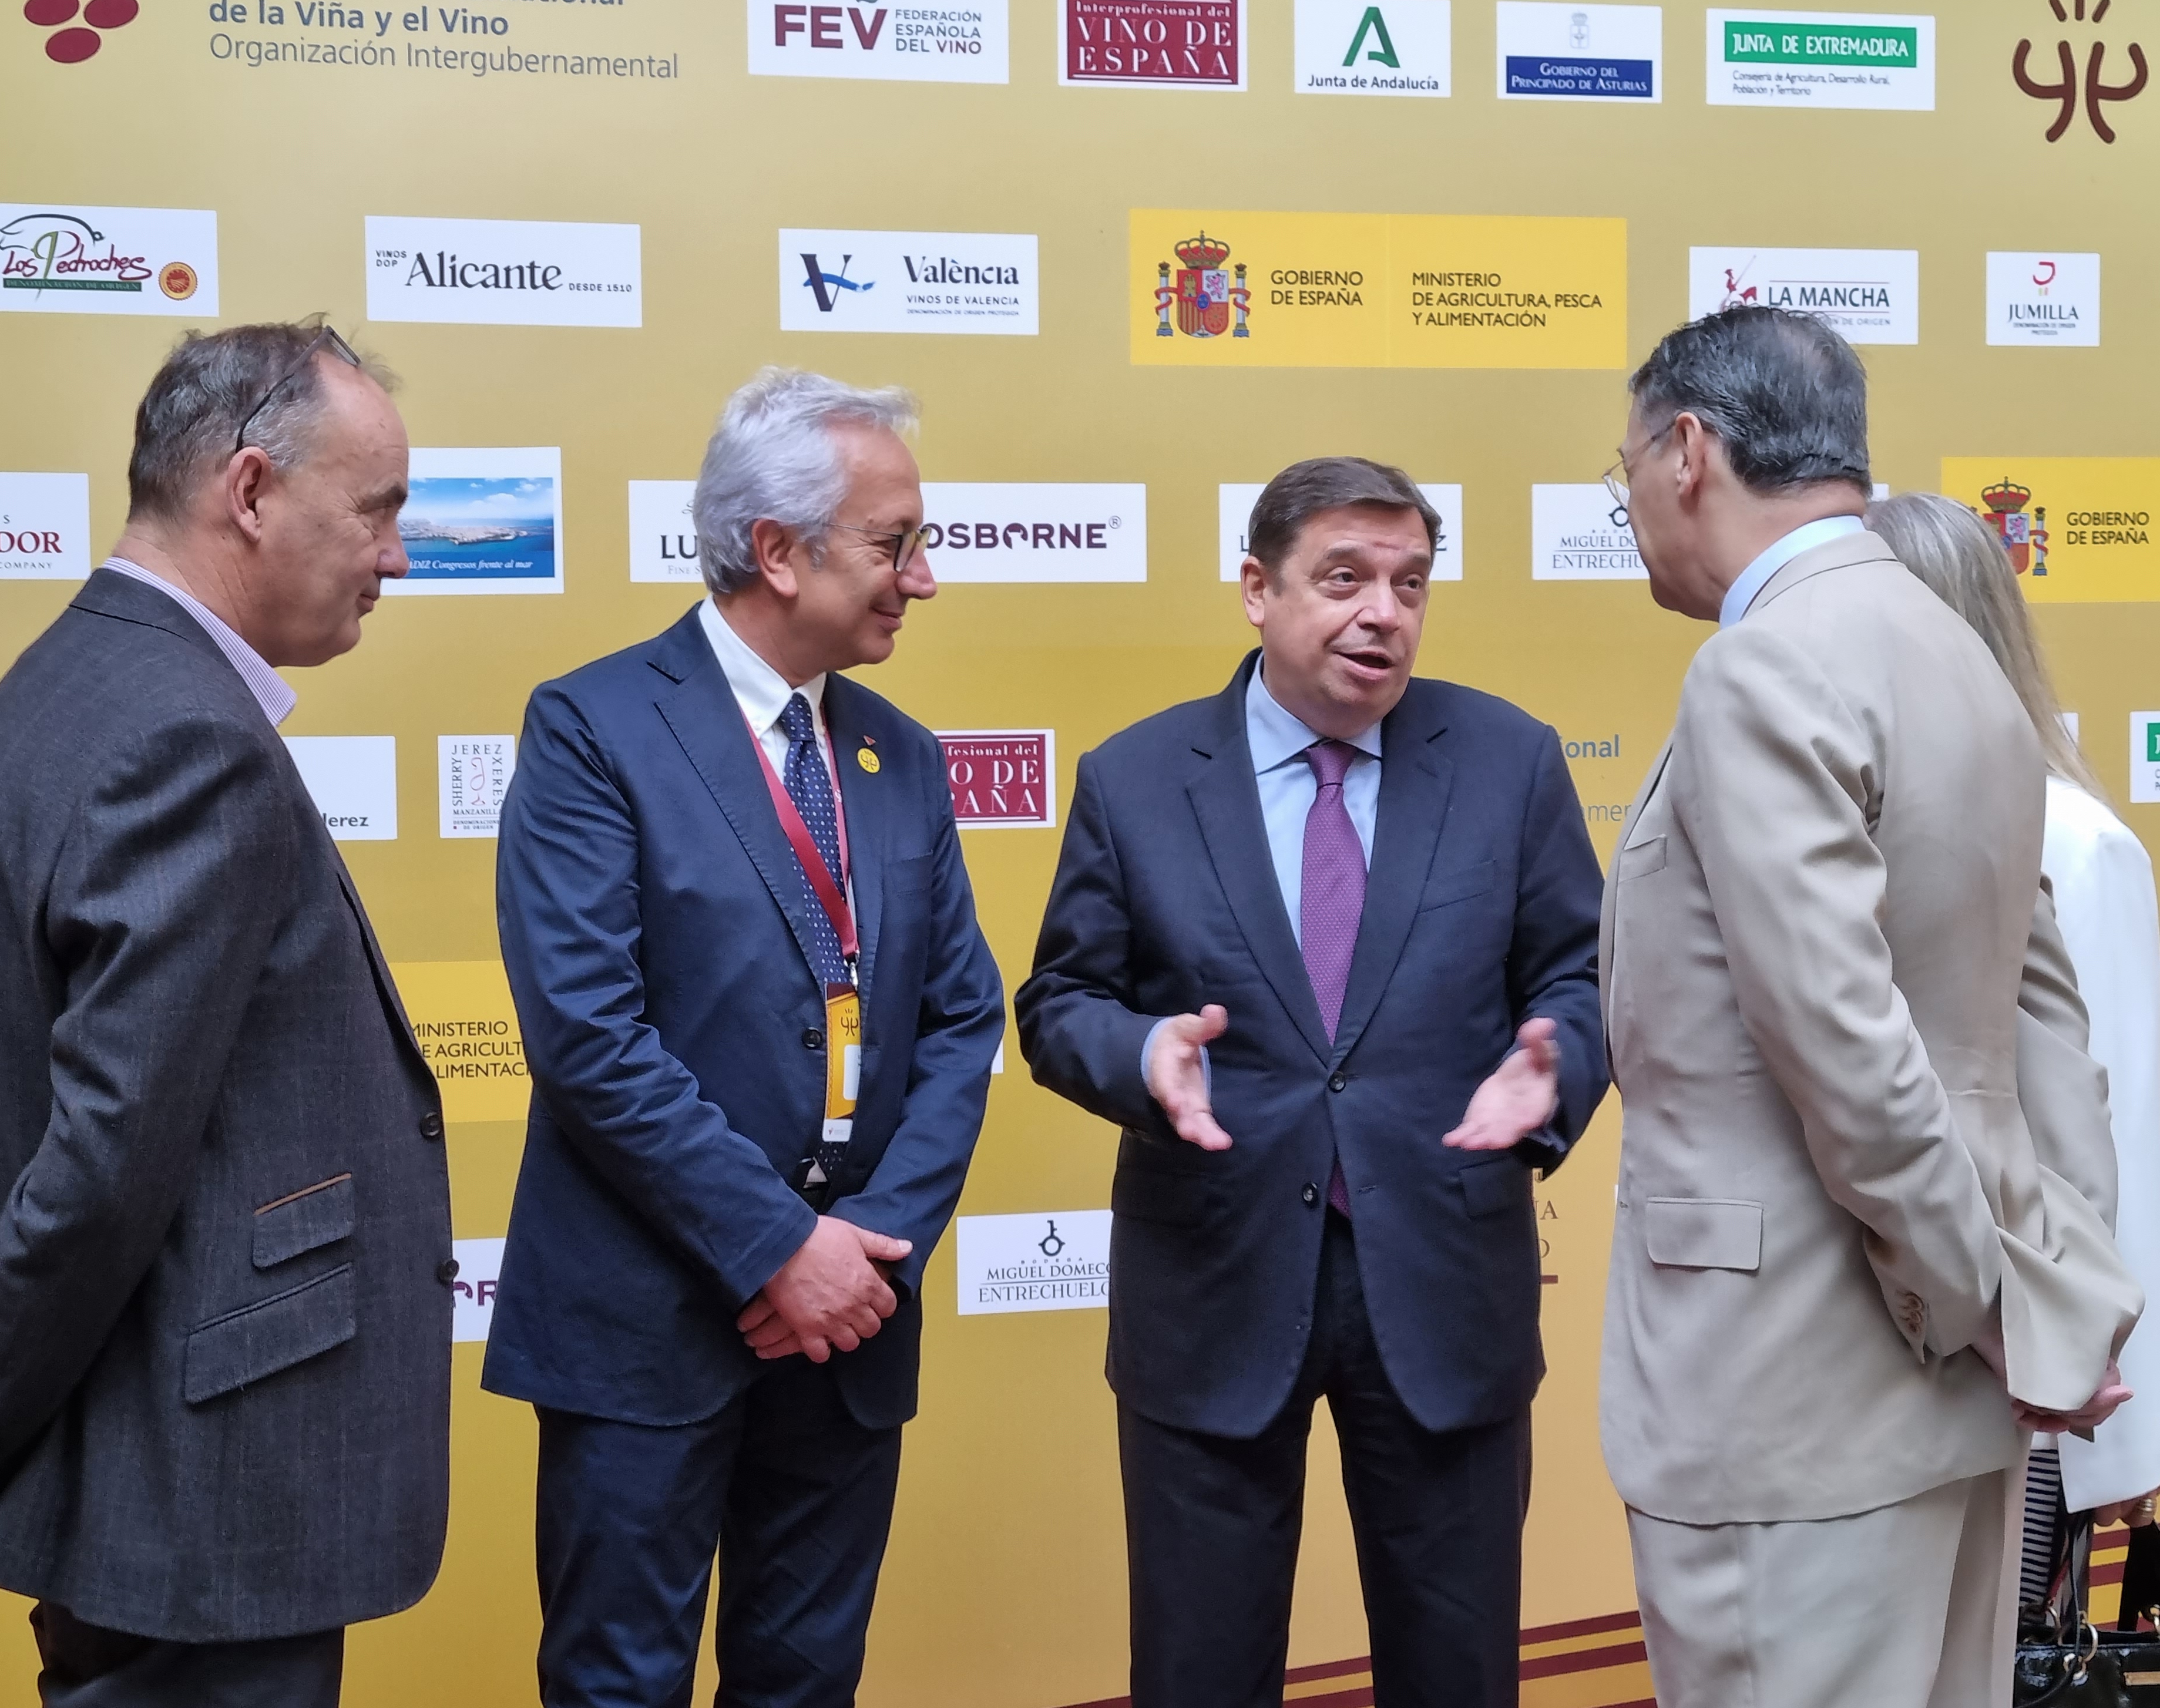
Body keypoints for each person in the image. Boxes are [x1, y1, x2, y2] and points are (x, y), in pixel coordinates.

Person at [0, 321, 455, 1706]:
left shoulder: (61, 683)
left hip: (145, 1471)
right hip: (206, 1492)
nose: (399, 557)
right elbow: (99, 1164)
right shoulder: (190, 737)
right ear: (250, 490)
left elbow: (2, 1119)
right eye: (378, 510)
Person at [1600, 305, 2141, 1708]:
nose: (1631, 507)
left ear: (1687, 452)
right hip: (1948, 1407)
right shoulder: (1957, 652)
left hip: (1792, 1406)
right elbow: (2048, 1033)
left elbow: (1844, 1049)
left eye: (1625, 470)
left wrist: (1984, 1310)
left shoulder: (1764, 662)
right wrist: (2055, 1303)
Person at [1016, 456, 1607, 1708]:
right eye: (1343, 579)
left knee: (1458, 1677)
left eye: (1410, 583)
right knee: (1200, 1674)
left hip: (1445, 1288)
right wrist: (1142, 1055)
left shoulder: (1508, 761)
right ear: (1257, 589)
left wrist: (1553, 1069)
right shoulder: (1136, 778)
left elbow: (1584, 974)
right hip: (1213, 1290)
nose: (1382, 612)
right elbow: (1061, 1003)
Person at [485, 367, 1003, 1708]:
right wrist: (780, 1248)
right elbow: (590, 1038)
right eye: (894, 543)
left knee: (806, 1683)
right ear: (778, 550)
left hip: (849, 1332)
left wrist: (867, 1248)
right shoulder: (594, 727)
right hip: (644, 1329)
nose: (923, 577)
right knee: (620, 1687)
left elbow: (962, 1018)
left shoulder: (901, 754)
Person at [1865, 491, 2160, 1607]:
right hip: (1879, 1362)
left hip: (2030, 1386)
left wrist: (2117, 1422)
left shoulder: (2074, 843)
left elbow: (2120, 1135)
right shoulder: (1850, 832)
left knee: (2004, 1664)